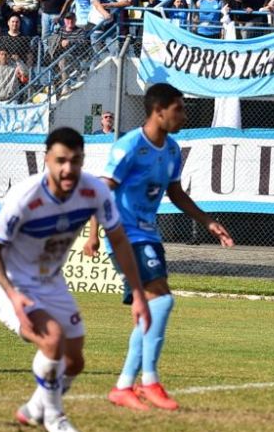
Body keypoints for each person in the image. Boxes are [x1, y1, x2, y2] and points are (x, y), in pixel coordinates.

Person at [0, 127, 150, 432]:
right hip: (13, 284)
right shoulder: (24, 196)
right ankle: (54, 418)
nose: (67, 168)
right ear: (46, 159)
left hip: (51, 282)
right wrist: (14, 296)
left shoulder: (94, 192)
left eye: (75, 161)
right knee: (52, 341)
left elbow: (119, 239)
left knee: (75, 362)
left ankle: (34, 407)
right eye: (60, 160)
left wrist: (139, 294)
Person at [86, 83, 234, 412]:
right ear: (158, 111)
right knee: (162, 301)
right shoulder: (129, 147)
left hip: (149, 236)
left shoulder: (171, 150)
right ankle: (148, 380)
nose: (184, 114)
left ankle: (124, 385)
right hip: (124, 236)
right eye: (179, 108)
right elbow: (101, 190)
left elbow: (176, 194)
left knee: (153, 308)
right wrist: (94, 233)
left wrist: (208, 221)